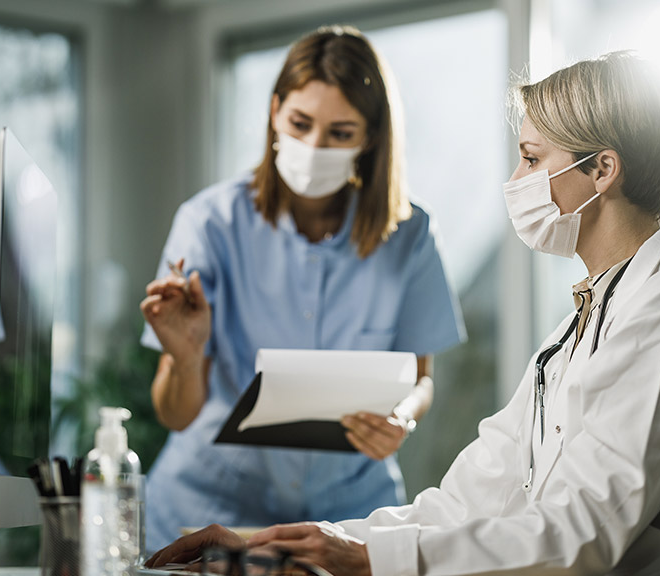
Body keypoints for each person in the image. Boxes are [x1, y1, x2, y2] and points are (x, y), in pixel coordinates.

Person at [145, 51, 660, 575]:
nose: (517, 181)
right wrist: (301, 545)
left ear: (602, 170)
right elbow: (470, 502)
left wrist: (369, 562)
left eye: (531, 159)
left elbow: (584, 534)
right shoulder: (581, 327)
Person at [138, 25, 466, 552]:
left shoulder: (410, 235)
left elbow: (420, 378)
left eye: (340, 132)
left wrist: (401, 418)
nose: (314, 147)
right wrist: (185, 353)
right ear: (274, 112)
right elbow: (176, 414)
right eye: (300, 123)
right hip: (207, 509)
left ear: (371, 137)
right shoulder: (208, 224)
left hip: (346, 518)